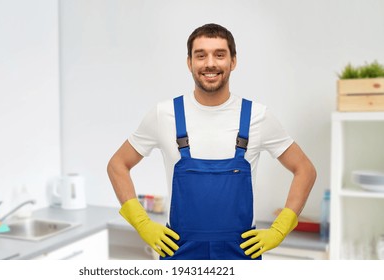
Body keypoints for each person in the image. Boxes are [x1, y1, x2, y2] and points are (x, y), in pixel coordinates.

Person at [107, 23, 316, 260]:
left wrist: (280, 229)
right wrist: (142, 223)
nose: (210, 63)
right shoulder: (164, 114)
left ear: (233, 61)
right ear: (189, 63)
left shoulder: (258, 116)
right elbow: (117, 165)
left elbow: (305, 170)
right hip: (179, 254)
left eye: (219, 54)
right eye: (200, 55)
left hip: (240, 255)